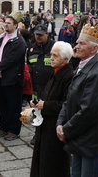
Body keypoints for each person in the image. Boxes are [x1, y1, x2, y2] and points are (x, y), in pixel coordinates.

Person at [56, 23, 98, 177]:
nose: (77, 46)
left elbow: (89, 111)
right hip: (79, 137)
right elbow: (69, 99)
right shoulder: (83, 67)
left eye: (82, 43)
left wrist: (66, 129)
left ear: (94, 49)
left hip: (90, 141)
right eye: (77, 42)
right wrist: (60, 123)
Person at [30, 41, 74, 177]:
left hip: (55, 125)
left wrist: (46, 105)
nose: (52, 58)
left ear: (65, 59)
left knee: (53, 162)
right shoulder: (55, 72)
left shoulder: (68, 75)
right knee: (42, 158)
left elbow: (67, 104)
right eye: (51, 55)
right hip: (45, 123)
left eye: (56, 56)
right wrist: (38, 103)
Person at [0, 15, 27, 141]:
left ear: (16, 25)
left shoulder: (19, 41)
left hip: (11, 78)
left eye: (9, 23)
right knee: (0, 104)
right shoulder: (0, 38)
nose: (6, 25)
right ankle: (4, 127)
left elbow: (11, 59)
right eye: (5, 22)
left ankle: (14, 130)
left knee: (13, 105)